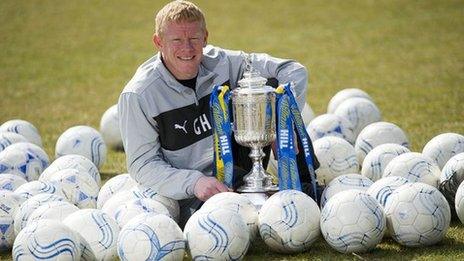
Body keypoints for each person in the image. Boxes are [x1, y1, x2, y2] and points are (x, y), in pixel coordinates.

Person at [118, 0, 318, 227]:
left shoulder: (223, 63)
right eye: (177, 40)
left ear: (205, 38)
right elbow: (142, 165)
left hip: (237, 167)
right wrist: (194, 182)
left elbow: (293, 70)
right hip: (192, 193)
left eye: (194, 39)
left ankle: (306, 193)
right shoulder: (138, 95)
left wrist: (283, 125)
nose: (187, 48)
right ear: (158, 42)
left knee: (272, 88)